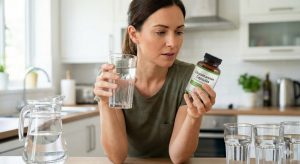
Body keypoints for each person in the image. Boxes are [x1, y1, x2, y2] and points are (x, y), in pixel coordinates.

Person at [93, 0, 216, 163]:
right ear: (134, 34)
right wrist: (104, 103)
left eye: (179, 32)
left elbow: (178, 157)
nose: (173, 43)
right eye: (160, 32)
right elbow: (117, 157)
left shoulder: (188, 77)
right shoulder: (117, 75)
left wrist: (193, 117)